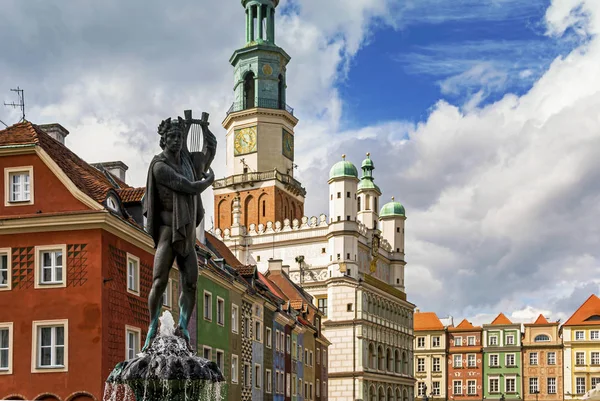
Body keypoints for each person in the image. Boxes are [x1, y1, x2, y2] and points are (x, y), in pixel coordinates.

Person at [142, 115, 216, 351]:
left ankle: (183, 326)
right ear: (163, 140)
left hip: (186, 233)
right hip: (167, 230)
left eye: (178, 137)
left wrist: (208, 140)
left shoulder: (185, 160)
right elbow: (189, 185)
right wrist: (209, 180)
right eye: (171, 137)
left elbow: (204, 160)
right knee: (159, 280)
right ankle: (152, 326)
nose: (176, 140)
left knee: (191, 282)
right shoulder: (159, 166)